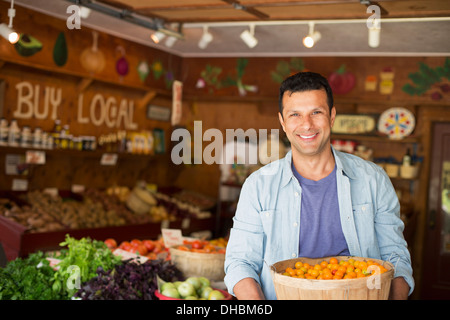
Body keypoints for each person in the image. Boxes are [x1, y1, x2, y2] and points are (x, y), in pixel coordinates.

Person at [224, 71, 414, 300]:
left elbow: (396, 257)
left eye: (316, 112)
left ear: (331, 116)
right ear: (283, 122)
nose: (307, 125)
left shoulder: (373, 179)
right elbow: (240, 263)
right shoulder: (258, 186)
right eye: (295, 114)